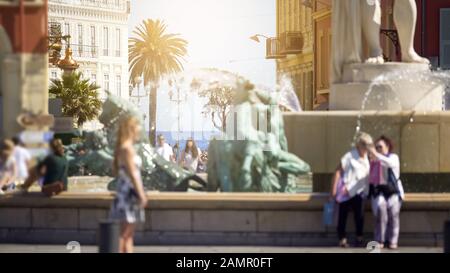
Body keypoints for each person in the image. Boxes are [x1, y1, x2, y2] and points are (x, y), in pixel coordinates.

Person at [109, 116, 147, 253]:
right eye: (138, 130)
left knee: (127, 236)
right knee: (124, 235)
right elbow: (133, 174)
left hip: (125, 193)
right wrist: (141, 194)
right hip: (128, 195)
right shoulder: (127, 149)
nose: (139, 132)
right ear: (131, 130)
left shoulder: (124, 148)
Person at [331, 132, 373, 248]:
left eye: (369, 144)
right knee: (342, 216)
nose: (366, 147)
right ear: (359, 145)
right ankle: (342, 239)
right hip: (346, 190)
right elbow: (338, 171)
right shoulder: (349, 156)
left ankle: (359, 237)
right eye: (364, 144)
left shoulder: (369, 157)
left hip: (360, 191)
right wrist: (333, 190)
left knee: (359, 215)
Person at [368, 136, 405, 250]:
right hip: (379, 192)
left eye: (380, 147)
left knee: (394, 213)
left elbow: (389, 163)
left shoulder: (393, 157)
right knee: (381, 210)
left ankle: (393, 240)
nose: (378, 149)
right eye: (376, 147)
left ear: (387, 147)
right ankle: (380, 240)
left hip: (393, 191)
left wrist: (376, 155)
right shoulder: (374, 159)